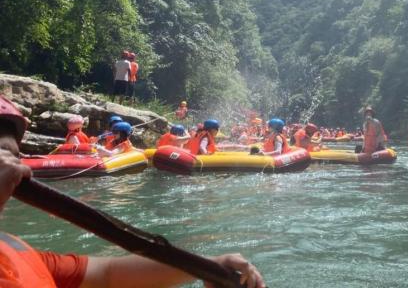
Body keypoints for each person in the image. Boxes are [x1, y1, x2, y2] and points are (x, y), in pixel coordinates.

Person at [0, 95, 265, 288]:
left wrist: (210, 264)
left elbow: (109, 273)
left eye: (13, 156)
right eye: (2, 160)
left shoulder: (16, 251)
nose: (16, 170)